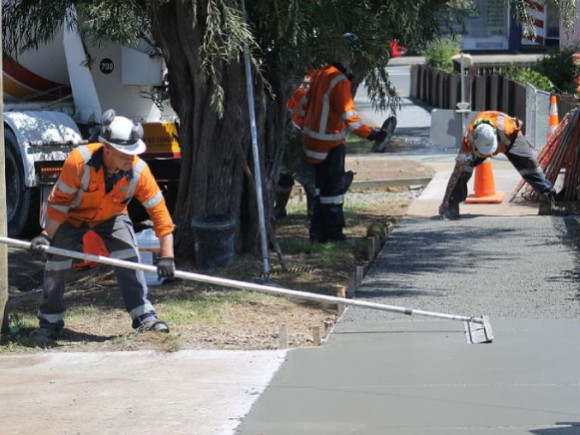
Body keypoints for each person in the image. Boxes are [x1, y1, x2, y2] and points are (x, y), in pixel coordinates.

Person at [28, 109, 176, 341]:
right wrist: (46, 235)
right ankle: (50, 322)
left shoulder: (139, 170)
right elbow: (59, 204)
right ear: (107, 148)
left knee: (129, 257)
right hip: (72, 218)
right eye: (125, 153)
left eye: (133, 152)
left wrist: (167, 256)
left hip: (112, 216)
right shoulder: (78, 161)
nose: (131, 158)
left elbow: (160, 214)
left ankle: (144, 316)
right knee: (56, 263)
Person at [296, 33, 387, 242]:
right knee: (332, 193)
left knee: (319, 190)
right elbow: (350, 118)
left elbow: (304, 106)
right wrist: (373, 134)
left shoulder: (321, 73)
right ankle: (333, 234)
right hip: (329, 144)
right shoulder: (339, 81)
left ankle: (317, 234)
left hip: (311, 142)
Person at [439, 110, 561, 219]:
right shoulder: (468, 142)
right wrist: (445, 201)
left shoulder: (508, 127)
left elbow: (519, 125)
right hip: (487, 143)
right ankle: (451, 205)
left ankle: (547, 197)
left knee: (530, 165)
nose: (491, 155)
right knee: (462, 172)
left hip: (509, 140)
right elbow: (456, 173)